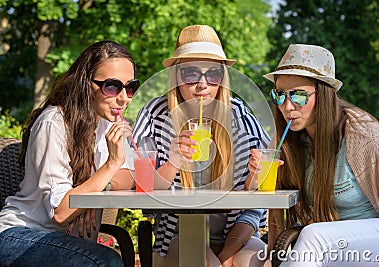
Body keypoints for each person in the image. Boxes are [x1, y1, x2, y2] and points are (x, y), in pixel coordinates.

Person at [132, 25, 271, 267]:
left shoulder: (239, 115)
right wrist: (173, 163)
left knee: (260, 263)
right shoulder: (155, 115)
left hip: (236, 234)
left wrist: (256, 177)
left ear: (222, 78)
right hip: (177, 236)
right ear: (176, 75)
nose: (202, 84)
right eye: (191, 74)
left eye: (213, 74)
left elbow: (256, 198)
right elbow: (142, 189)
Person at [258, 43, 379, 266]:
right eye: (279, 95)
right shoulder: (289, 140)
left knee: (314, 236)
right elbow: (261, 196)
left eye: (298, 96)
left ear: (324, 94)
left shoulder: (363, 138)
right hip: (337, 244)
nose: (286, 106)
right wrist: (255, 173)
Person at [0, 40, 139, 266]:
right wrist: (109, 167)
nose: (123, 98)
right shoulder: (54, 123)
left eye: (130, 87)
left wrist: (93, 192)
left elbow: (132, 177)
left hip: (65, 242)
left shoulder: (106, 122)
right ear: (85, 84)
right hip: (21, 235)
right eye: (112, 86)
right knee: (106, 262)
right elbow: (62, 213)